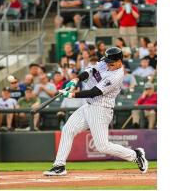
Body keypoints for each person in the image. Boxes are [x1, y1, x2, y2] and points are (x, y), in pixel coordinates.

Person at [43, 47, 148, 176]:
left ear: (120, 61)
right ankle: (59, 165)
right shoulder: (106, 62)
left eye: (111, 63)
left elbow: (94, 92)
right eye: (107, 61)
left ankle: (135, 155)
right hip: (87, 106)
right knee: (67, 129)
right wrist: (75, 80)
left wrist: (70, 95)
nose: (108, 64)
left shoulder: (116, 76)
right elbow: (91, 70)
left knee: (102, 146)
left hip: (101, 110)